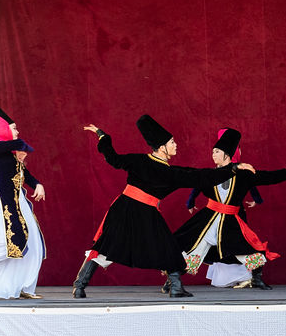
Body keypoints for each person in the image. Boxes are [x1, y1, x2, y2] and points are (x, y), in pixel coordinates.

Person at [74, 115, 255, 298]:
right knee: (115, 246)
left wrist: (103, 137)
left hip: (135, 210)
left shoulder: (154, 166)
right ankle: (80, 284)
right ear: (162, 147)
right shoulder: (166, 172)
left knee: (164, 246)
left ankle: (175, 287)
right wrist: (233, 169)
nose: (176, 145)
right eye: (172, 142)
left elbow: (200, 176)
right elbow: (199, 176)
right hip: (128, 211)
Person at [172, 128, 286, 291]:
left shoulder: (244, 175)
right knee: (195, 249)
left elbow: (269, 176)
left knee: (244, 248)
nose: (213, 155)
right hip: (209, 219)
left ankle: (256, 278)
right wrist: (189, 201)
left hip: (230, 221)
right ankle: (173, 281)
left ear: (227, 155)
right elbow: (188, 177)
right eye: (213, 152)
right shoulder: (209, 174)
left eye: (217, 152)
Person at [0, 102, 46, 299]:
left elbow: (25, 173)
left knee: (31, 244)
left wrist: (37, 184)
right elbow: (20, 144)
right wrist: (21, 148)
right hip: (3, 202)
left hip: (18, 200)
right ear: (2, 128)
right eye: (13, 128)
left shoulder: (11, 153)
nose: (17, 131)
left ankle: (17, 286)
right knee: (5, 243)